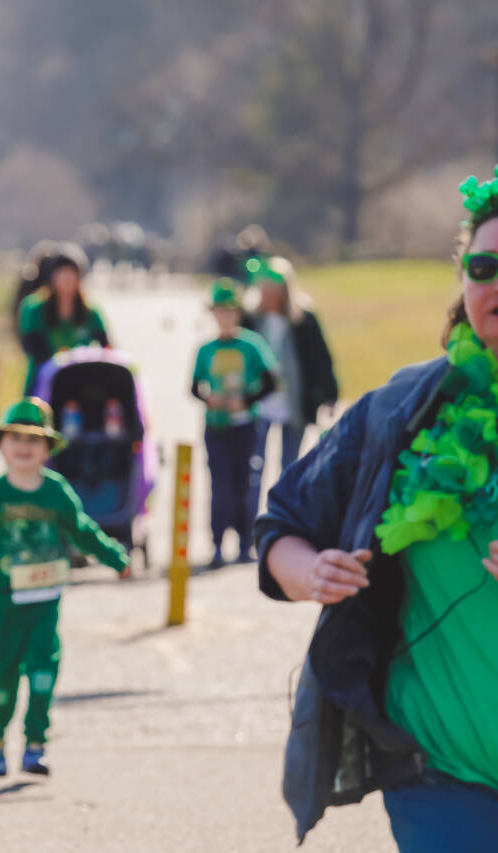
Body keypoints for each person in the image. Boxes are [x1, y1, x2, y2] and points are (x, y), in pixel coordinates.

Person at [256, 164, 498, 851]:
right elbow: (283, 523)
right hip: (440, 772)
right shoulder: (403, 410)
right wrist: (310, 572)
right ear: (463, 281)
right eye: (484, 266)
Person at [0, 398, 129, 778]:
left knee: (45, 668)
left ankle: (35, 743)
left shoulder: (55, 492)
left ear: (47, 448)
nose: (24, 446)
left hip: (45, 598)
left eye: (34, 440)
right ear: (2, 445)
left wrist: (115, 558)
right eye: (16, 438)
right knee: (5, 670)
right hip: (3, 600)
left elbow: (82, 530)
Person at [241, 256, 339, 514]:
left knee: (290, 467)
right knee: (253, 466)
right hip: (259, 402)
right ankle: (249, 525)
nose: (269, 296)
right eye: (265, 290)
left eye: (274, 291)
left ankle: (282, 520)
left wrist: (329, 394)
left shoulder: (303, 318)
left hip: (294, 402)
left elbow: (320, 358)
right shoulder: (250, 319)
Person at [191, 279, 277, 567]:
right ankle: (217, 543)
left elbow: (271, 381)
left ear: (238, 313)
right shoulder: (206, 349)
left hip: (245, 424)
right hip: (216, 425)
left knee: (244, 483)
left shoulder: (251, 345)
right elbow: (193, 387)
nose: (225, 317)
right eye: (219, 311)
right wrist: (209, 400)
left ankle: (244, 542)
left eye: (230, 311)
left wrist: (247, 401)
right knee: (220, 484)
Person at [17, 244, 110, 394]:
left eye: (72, 273)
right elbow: (32, 348)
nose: (67, 278)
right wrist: (62, 363)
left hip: (82, 386)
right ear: (52, 277)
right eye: (62, 273)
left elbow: (107, 348)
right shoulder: (33, 309)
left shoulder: (91, 312)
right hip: (43, 385)